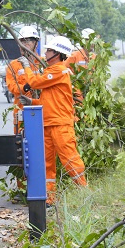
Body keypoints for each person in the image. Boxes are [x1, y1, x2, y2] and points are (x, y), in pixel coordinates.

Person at [17, 35, 87, 205]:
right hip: (48, 124)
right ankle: (50, 198)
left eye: (49, 50)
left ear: (57, 53)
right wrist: (32, 102)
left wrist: (26, 66)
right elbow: (48, 101)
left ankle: (85, 193)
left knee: (69, 158)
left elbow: (34, 82)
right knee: (47, 163)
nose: (46, 53)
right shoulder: (52, 72)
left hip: (60, 124)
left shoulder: (59, 71)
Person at [5, 26, 42, 135]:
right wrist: (25, 87)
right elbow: (12, 86)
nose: (24, 44)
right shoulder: (13, 65)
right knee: (21, 141)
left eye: (27, 41)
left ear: (36, 43)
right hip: (22, 111)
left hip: (42, 110)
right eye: (21, 41)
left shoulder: (44, 63)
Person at [67, 28, 97, 104]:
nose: (92, 43)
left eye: (93, 41)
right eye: (88, 40)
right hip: (76, 94)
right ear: (83, 41)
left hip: (90, 93)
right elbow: (63, 69)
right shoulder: (74, 56)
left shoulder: (95, 58)